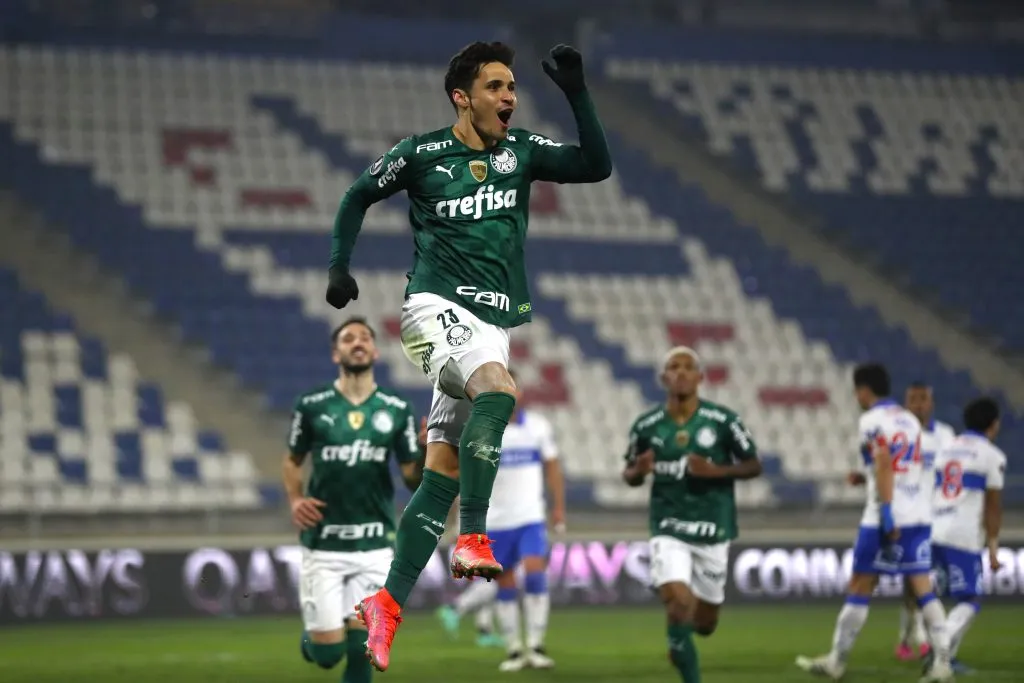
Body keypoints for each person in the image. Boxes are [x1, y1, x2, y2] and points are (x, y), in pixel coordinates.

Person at [324, 39, 611, 672]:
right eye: (496, 86)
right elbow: (355, 197)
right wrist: (340, 269)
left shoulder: (523, 151)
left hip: (490, 324)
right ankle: (474, 535)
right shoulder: (421, 154)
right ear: (463, 96)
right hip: (433, 311)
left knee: (441, 473)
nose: (509, 97)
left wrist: (577, 92)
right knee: (501, 392)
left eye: (512, 87)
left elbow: (597, 165)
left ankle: (386, 605)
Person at [283, 317, 426, 683]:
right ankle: (316, 643)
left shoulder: (396, 408)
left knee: (364, 652)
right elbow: (292, 459)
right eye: (348, 338)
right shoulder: (312, 405)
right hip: (323, 545)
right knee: (329, 655)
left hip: (376, 545)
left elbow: (412, 478)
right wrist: (296, 498)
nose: (357, 342)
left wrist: (425, 453)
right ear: (336, 353)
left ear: (375, 351)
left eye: (364, 337)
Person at [796, 363, 953, 683]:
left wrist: (886, 512)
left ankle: (837, 661)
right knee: (924, 590)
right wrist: (866, 477)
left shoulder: (871, 420)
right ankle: (943, 665)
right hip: (919, 515)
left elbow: (883, 463)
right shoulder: (909, 419)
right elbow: (908, 465)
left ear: (863, 390)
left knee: (860, 587)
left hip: (884, 515)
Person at [621, 347, 763, 683]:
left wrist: (714, 472)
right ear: (663, 378)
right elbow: (629, 474)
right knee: (678, 604)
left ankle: (679, 640)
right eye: (674, 367)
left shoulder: (724, 421)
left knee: (704, 624)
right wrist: (639, 471)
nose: (681, 372)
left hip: (714, 528)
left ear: (701, 377)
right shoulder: (646, 425)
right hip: (668, 527)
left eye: (688, 367)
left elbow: (754, 464)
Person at [435, 370, 567, 670]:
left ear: (518, 393)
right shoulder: (479, 430)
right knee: (504, 583)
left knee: (535, 573)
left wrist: (558, 507)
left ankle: (535, 644)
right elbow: (464, 478)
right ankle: (515, 650)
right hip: (494, 520)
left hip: (530, 517)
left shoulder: (537, 427)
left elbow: (554, 468)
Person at [927, 397, 1005, 675]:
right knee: (970, 600)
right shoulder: (992, 456)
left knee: (943, 597)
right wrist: (993, 549)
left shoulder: (946, 449)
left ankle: (947, 657)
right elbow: (992, 509)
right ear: (993, 425)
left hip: (935, 531)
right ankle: (940, 653)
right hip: (963, 536)